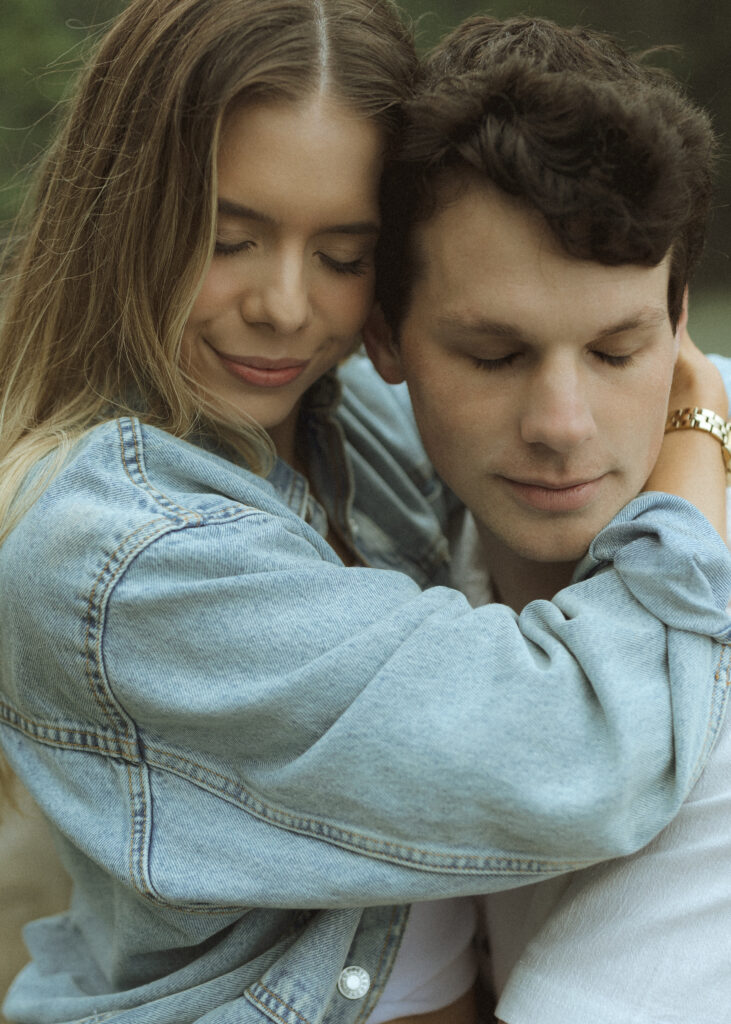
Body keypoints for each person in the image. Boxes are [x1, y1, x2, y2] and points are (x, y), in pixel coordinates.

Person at [0, 1, 729, 1021]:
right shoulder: (122, 550)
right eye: (228, 238)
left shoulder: (331, 414)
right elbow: (576, 755)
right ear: (128, 213)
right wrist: (695, 432)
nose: (285, 305)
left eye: (341, 255)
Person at [365, 15, 731, 1023]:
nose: (561, 427)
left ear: (677, 321)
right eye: (493, 355)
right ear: (382, 339)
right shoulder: (374, 576)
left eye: (617, 351)